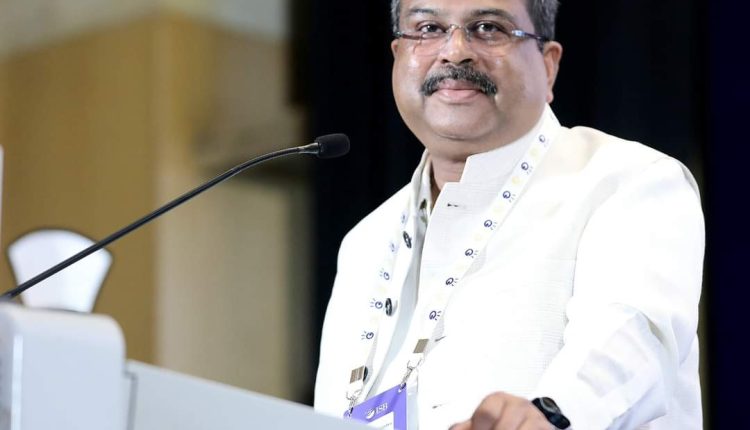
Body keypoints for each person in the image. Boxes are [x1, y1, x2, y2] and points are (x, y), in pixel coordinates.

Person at [314, 0, 705, 428]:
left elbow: (631, 341)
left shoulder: (627, 181)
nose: (454, 51)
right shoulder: (365, 242)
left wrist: (547, 416)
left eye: (487, 27)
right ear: (397, 55)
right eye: (427, 29)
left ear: (549, 65)